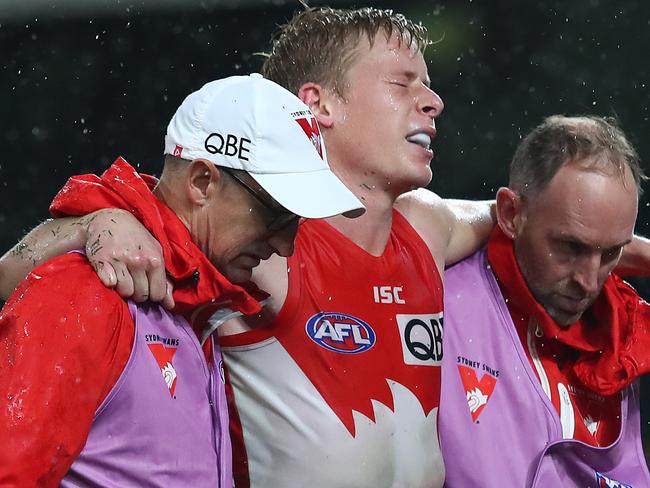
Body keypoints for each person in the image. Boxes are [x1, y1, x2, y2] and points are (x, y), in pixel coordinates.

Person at [3, 8, 649, 488]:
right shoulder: (260, 245)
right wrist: (97, 221)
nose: (434, 99)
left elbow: (534, 220)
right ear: (318, 106)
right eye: (403, 84)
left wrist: (629, 250)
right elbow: (160, 217)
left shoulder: (426, 227)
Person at [0, 73, 364, 487]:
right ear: (202, 182)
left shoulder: (199, 307)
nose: (286, 245)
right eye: (276, 215)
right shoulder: (86, 291)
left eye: (296, 222)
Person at [440, 115, 650, 487]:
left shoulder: (622, 331)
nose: (588, 282)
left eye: (611, 253)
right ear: (509, 214)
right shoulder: (434, 304)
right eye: (570, 247)